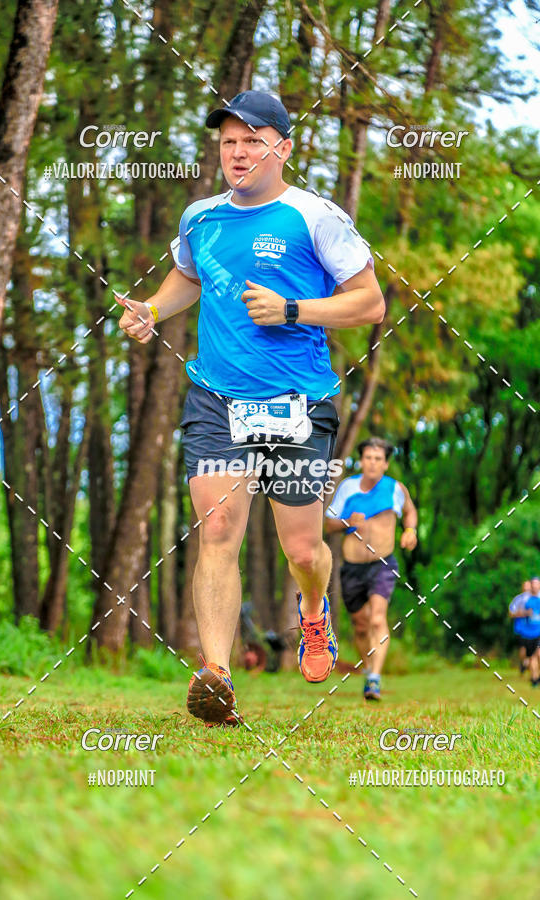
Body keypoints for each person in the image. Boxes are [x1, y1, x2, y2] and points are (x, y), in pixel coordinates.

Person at [115, 90, 385, 725]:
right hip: (216, 396)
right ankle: (216, 676)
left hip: (299, 401)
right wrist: (153, 310)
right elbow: (190, 275)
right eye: (229, 141)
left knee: (300, 549)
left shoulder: (315, 217)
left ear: (282, 148)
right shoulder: (201, 217)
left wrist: (293, 310)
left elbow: (370, 303)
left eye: (252, 140)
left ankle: (314, 615)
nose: (237, 153)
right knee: (216, 528)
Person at [325, 438, 418, 701]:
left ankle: (374, 680)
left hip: (384, 563)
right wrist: (346, 522)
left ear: (386, 464)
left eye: (378, 459)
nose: (372, 463)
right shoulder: (348, 487)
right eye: (368, 457)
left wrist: (410, 531)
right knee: (361, 626)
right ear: (361, 460)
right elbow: (328, 524)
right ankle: (368, 669)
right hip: (352, 567)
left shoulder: (395, 489)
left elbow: (410, 512)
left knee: (378, 619)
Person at [511, 576, 540, 687]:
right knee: (532, 657)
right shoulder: (523, 598)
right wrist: (525, 613)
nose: (534, 586)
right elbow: (513, 612)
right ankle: (535, 678)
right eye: (533, 584)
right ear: (530, 585)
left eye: (537, 584)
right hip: (528, 632)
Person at [508, 580, 532, 674]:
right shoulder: (518, 599)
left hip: (534, 629)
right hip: (521, 628)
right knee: (523, 648)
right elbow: (511, 613)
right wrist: (523, 613)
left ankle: (530, 668)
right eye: (525, 586)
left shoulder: (535, 598)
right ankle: (524, 663)